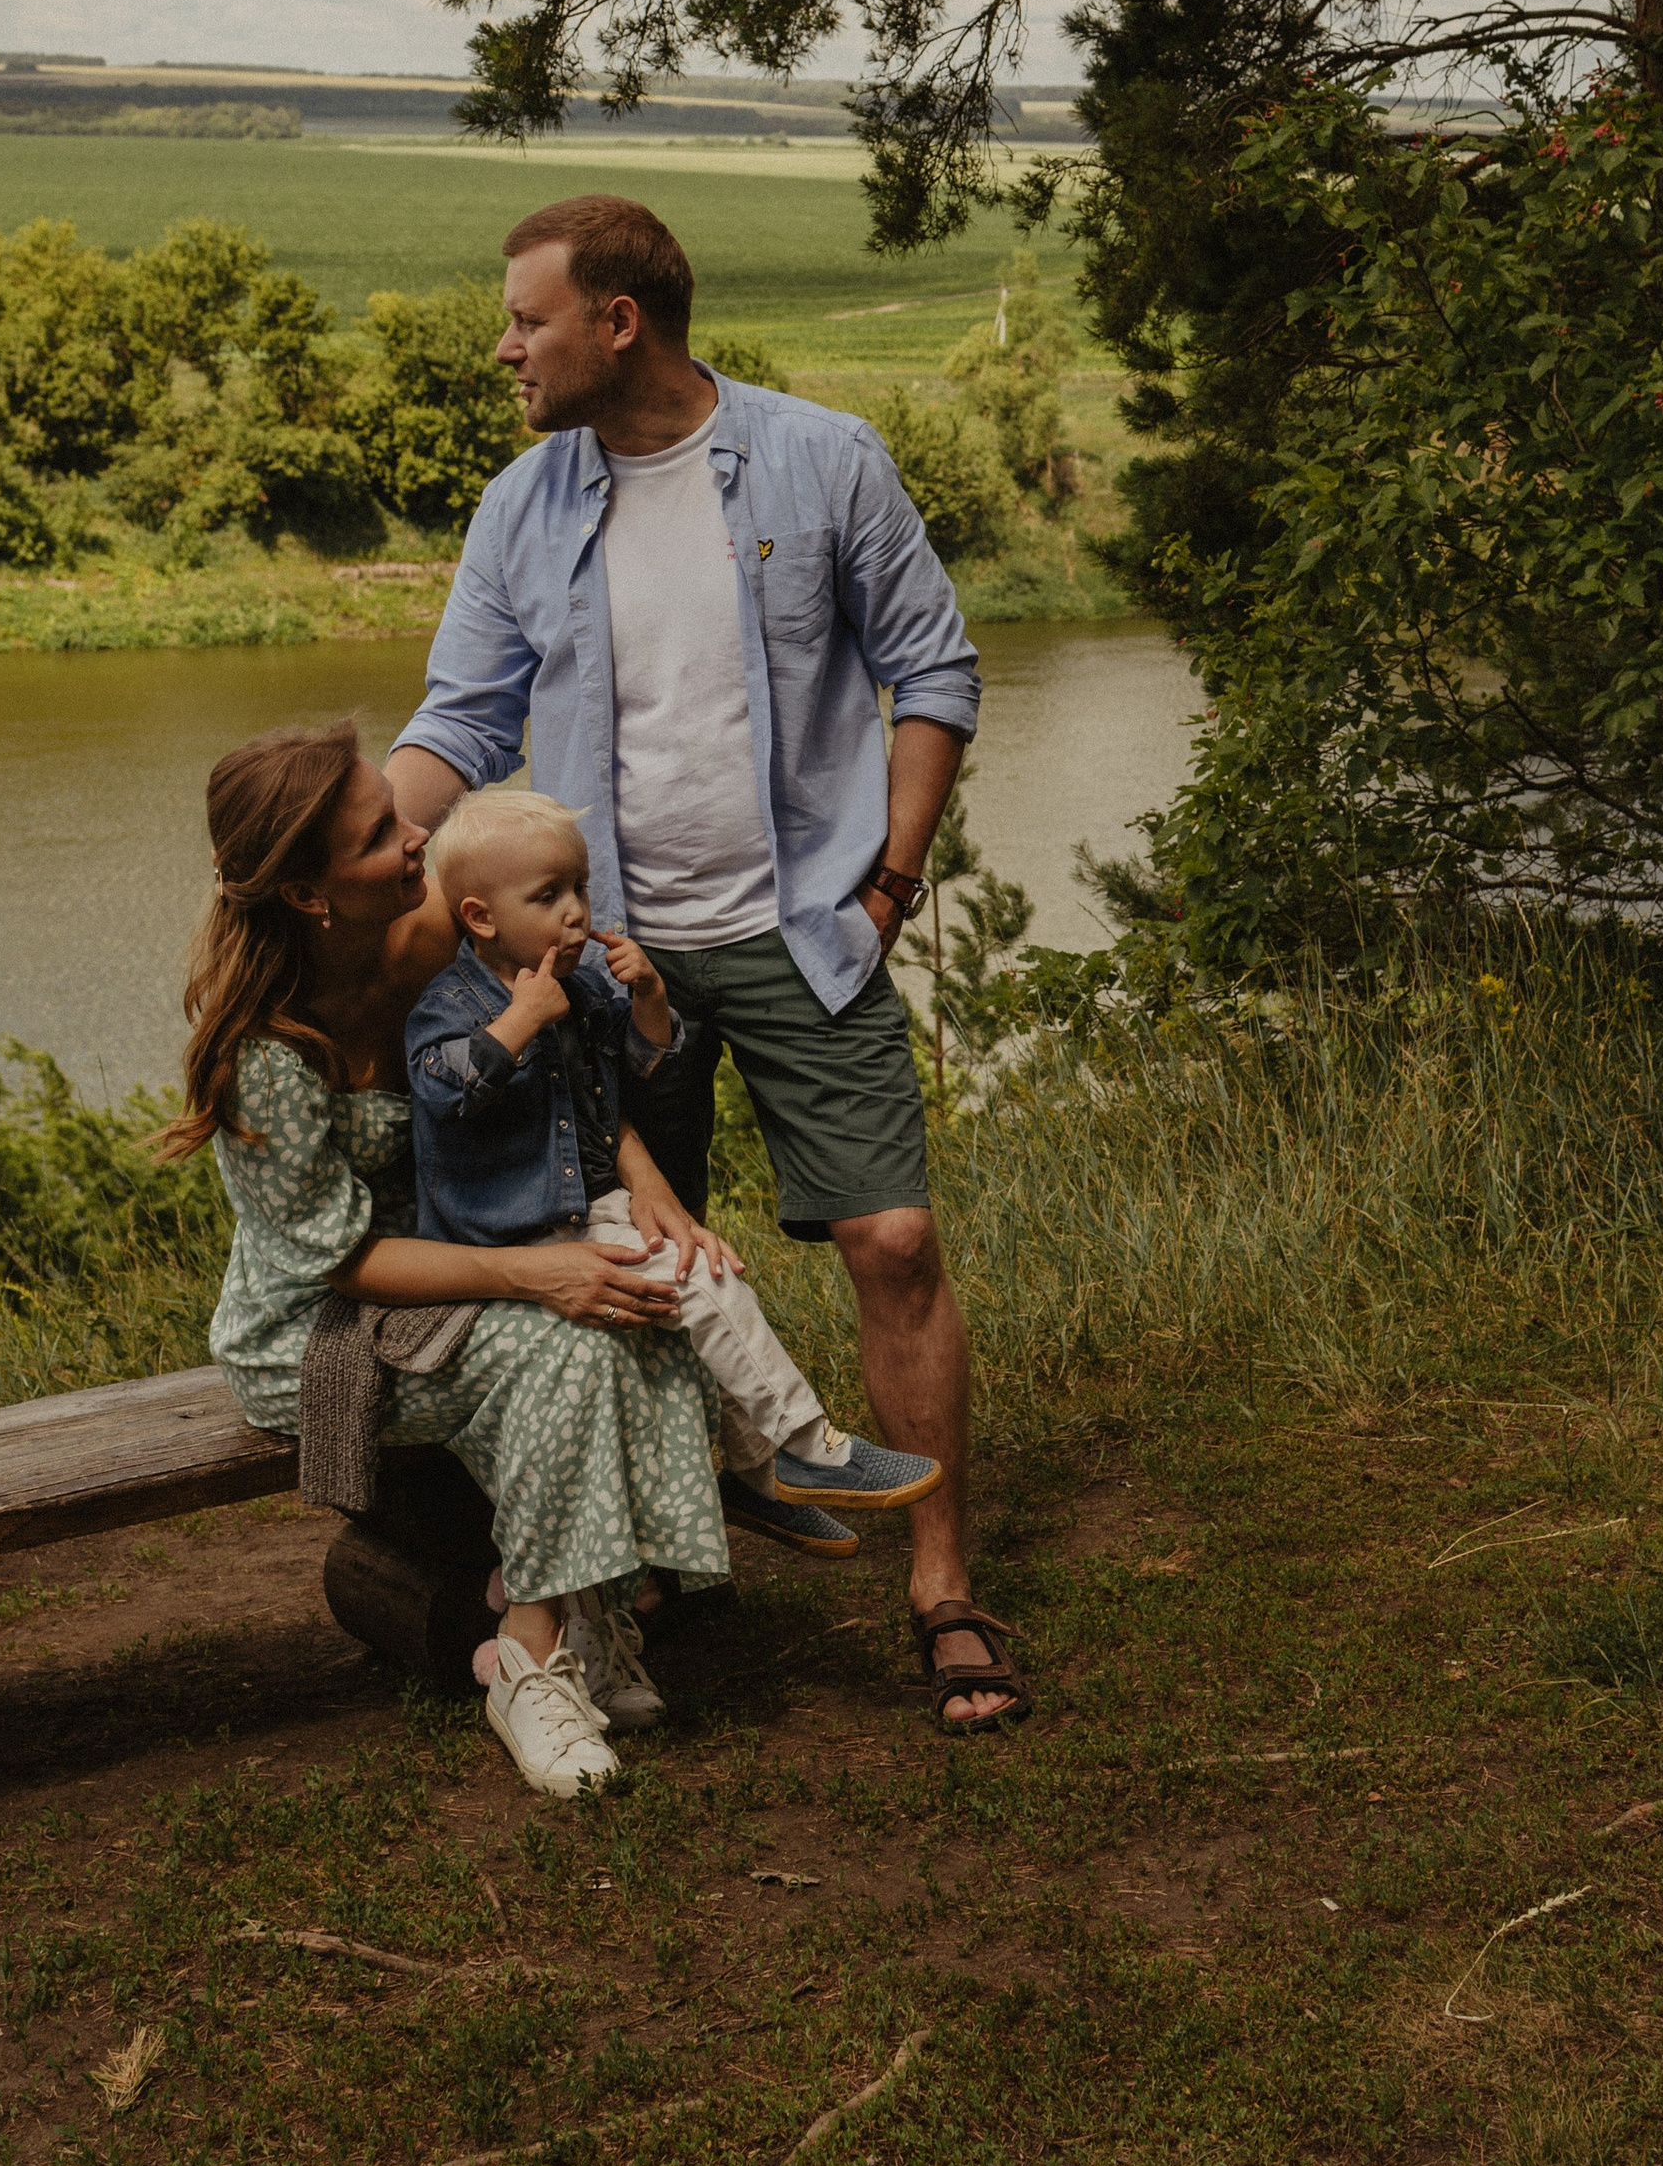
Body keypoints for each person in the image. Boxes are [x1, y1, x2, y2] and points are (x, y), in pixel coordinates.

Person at [384, 192, 1032, 1737]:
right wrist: (341, 844)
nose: (504, 346)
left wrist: (888, 878)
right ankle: (632, 1584)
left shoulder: (823, 459)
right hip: (603, 957)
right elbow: (463, 724)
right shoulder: (521, 507)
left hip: (805, 925)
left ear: (620, 321)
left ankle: (940, 1583)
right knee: (622, 1266)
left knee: (890, 1238)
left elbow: (932, 667)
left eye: (526, 317)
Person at [162, 718, 731, 1800]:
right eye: (381, 831)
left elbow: (561, 1064)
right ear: (311, 895)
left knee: (632, 1302)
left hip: (465, 1260)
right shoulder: (266, 1051)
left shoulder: (435, 936)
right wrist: (537, 1274)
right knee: (561, 1348)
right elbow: (338, 1262)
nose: (417, 831)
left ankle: (597, 1609)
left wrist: (647, 1191)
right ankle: (527, 1661)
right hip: (322, 1326)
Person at [404, 782, 945, 1565]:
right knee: (700, 1280)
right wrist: (519, 1021)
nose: (577, 913)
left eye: (582, 888)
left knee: (706, 1274)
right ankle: (801, 1442)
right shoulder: (451, 1002)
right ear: (481, 918)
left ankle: (760, 1476)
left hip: (588, 1207)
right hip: (512, 1229)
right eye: (549, 895)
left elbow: (644, 1066)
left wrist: (650, 994)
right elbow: (444, 1090)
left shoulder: (583, 987)